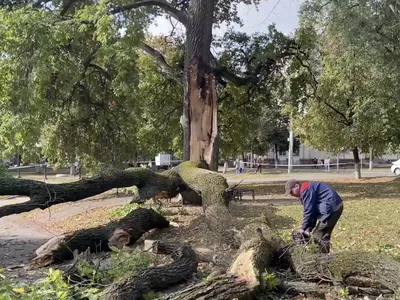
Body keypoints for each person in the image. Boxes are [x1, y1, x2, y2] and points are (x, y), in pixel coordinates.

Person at [284, 179, 343, 253]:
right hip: (332, 207)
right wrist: (308, 228)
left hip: (332, 208)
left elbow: (309, 211)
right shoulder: (305, 190)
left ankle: (322, 256)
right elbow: (313, 212)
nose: (292, 195)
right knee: (321, 233)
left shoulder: (306, 190)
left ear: (297, 186)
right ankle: (323, 255)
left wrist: (303, 228)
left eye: (291, 192)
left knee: (319, 234)